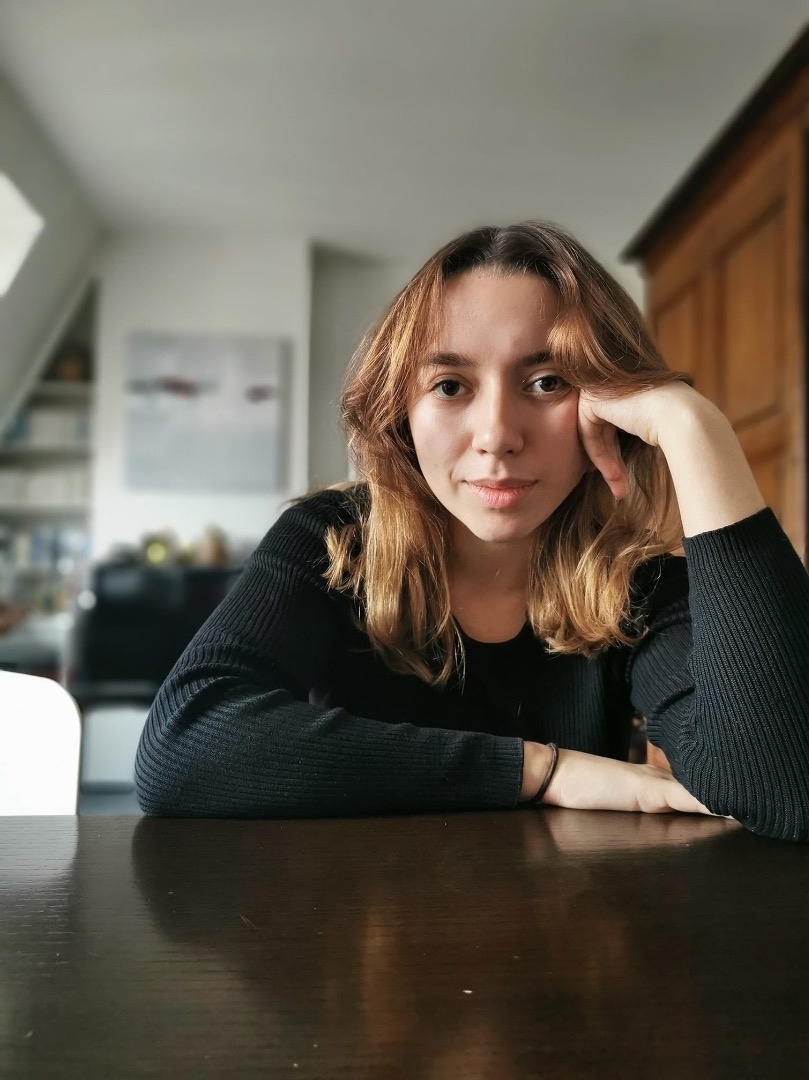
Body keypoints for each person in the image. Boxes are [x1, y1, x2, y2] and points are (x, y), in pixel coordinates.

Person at [135, 221, 809, 841]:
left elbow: (781, 788)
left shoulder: (641, 585)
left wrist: (693, 426)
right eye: (451, 386)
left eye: (547, 381)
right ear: (400, 414)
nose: (497, 436)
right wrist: (538, 771)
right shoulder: (331, 542)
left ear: (610, 407)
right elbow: (182, 747)